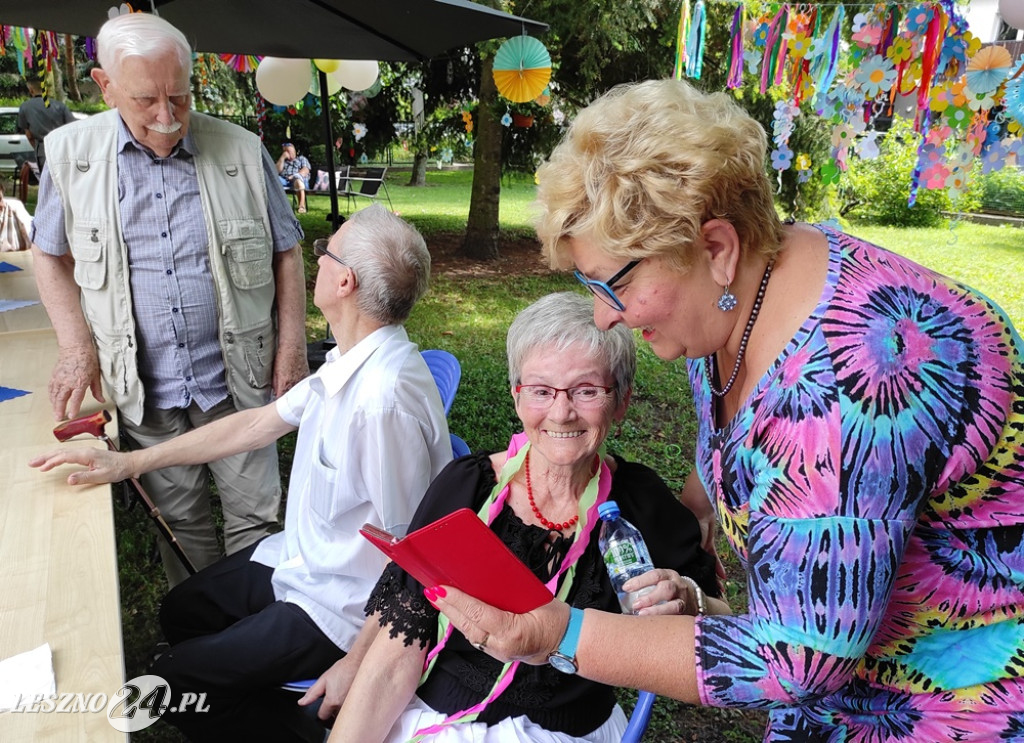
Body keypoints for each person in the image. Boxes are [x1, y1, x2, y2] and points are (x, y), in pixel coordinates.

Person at [426, 78, 1024, 743]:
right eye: (586, 285)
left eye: (613, 285)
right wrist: (702, 507)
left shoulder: (854, 377)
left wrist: (558, 634)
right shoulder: (728, 305)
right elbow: (738, 436)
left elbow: (800, 658)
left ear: (715, 248)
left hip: (949, 711)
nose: (603, 316)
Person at [31, 204, 454, 742]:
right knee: (181, 611)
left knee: (173, 683)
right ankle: (249, 691)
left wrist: (360, 663)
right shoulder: (352, 360)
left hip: (343, 606)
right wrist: (128, 463)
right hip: (304, 562)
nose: (316, 260)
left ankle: (299, 727)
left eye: (324, 252)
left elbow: (416, 556)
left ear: (344, 282)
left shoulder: (381, 404)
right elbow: (255, 425)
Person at [302, 292, 727, 742]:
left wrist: (690, 599)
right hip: (440, 722)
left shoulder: (642, 505)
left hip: (569, 733)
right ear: (516, 397)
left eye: (586, 390)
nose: (561, 413)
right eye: (541, 391)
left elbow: (727, 632)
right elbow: (396, 654)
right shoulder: (466, 490)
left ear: (620, 401)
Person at [30, 12, 309, 586]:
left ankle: (253, 622)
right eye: (146, 100)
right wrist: (76, 347)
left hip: (238, 378)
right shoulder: (69, 156)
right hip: (144, 386)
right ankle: (202, 623)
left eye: (179, 96)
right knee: (179, 522)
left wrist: (292, 348)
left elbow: (287, 251)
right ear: (105, 86)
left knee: (257, 518)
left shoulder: (241, 150)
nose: (167, 116)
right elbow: (48, 255)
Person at [17, 75, 76, 171]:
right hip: (62, 149)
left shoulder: (25, 107)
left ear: (31, 90)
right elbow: (72, 127)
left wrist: (37, 148)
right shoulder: (60, 105)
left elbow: (29, 135)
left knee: (46, 178)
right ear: (46, 90)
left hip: (43, 151)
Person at [278, 141, 312, 214]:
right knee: (274, 180)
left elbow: (305, 170)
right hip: (285, 180)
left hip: (299, 180)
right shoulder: (283, 161)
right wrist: (282, 158)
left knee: (297, 180)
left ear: (294, 151)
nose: (287, 153)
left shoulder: (301, 159)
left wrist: (294, 176)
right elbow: (276, 171)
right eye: (285, 151)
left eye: (288, 151)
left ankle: (302, 206)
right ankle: (275, 206)